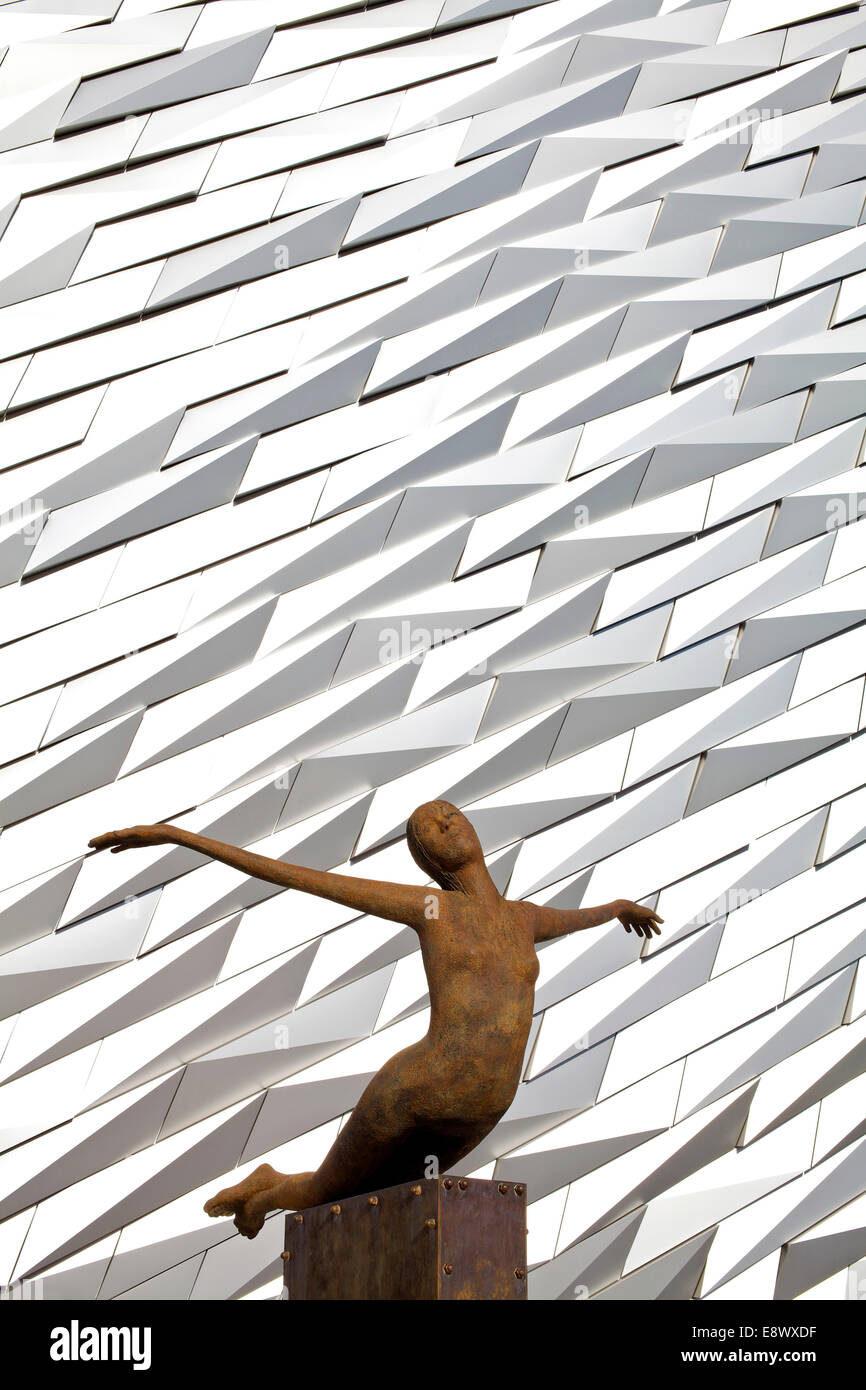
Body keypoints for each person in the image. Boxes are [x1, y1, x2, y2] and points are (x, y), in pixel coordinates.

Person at [89, 800, 662, 1237]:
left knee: (398, 1205)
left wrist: (617, 908)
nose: (441, 823)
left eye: (448, 814)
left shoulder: (522, 919)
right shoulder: (431, 906)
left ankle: (271, 1192)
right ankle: (266, 1191)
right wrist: (175, 836)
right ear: (428, 860)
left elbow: (586, 916)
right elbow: (293, 876)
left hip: (486, 1104)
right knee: (331, 1195)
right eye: (426, 829)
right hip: (420, 1088)